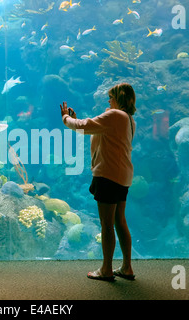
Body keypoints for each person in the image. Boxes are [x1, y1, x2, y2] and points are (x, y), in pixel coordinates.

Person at [60, 83, 136, 282]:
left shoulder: (115, 116)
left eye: (111, 97)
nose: (108, 101)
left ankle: (106, 269)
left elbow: (83, 126)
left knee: (106, 224)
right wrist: (76, 122)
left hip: (108, 175)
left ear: (119, 98)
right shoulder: (128, 119)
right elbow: (90, 130)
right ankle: (127, 267)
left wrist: (66, 119)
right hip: (122, 175)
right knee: (120, 221)